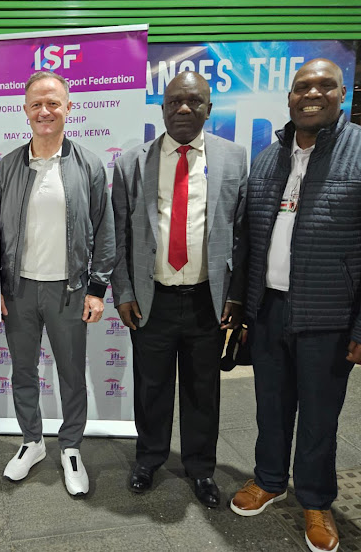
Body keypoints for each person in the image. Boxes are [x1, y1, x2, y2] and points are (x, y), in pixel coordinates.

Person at [230, 58, 361, 552]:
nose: (311, 94)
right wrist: (241, 302)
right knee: (269, 406)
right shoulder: (269, 156)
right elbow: (247, 238)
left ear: (343, 93)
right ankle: (270, 480)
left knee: (320, 417)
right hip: (269, 308)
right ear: (290, 97)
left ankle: (316, 500)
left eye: (324, 86)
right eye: (302, 87)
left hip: (330, 316)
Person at [111, 71, 248, 508]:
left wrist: (237, 295)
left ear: (210, 107)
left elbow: (241, 232)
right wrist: (124, 291)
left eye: (194, 101)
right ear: (163, 107)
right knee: (150, 387)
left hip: (208, 298)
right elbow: (118, 234)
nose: (184, 109)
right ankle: (149, 459)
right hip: (153, 298)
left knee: (202, 389)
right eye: (174, 101)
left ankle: (201, 469)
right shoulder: (133, 161)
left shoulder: (233, 158)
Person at [0, 71, 115, 496]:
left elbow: (105, 228)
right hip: (19, 290)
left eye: (53, 103)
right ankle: (32, 441)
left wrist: (97, 289)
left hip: (69, 290)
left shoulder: (89, 165)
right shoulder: (8, 167)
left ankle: (71, 446)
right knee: (23, 370)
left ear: (68, 108)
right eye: (37, 104)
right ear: (25, 111)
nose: (45, 111)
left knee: (71, 374)